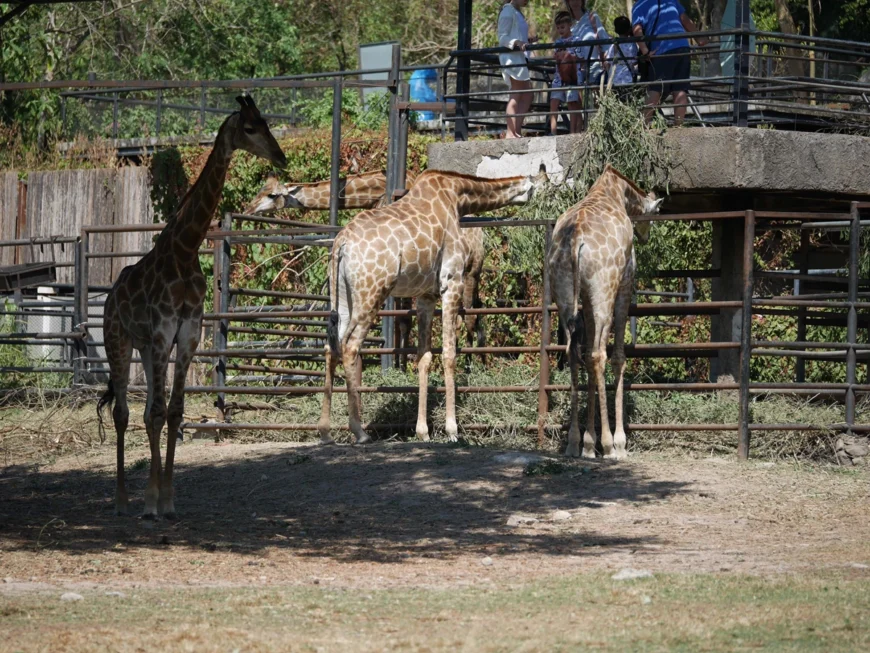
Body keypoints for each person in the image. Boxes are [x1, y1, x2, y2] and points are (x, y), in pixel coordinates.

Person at [632, 0, 708, 125]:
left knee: (655, 87)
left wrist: (645, 51)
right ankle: (679, 126)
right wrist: (699, 38)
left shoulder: (639, 5)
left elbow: (637, 29)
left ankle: (643, 125)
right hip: (682, 46)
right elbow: (684, 19)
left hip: (662, 48)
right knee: (680, 87)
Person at [498, 0, 533, 139]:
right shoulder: (507, 11)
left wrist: (527, 41)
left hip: (518, 58)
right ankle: (511, 133)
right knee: (516, 95)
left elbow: (517, 35)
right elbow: (502, 38)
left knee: (527, 94)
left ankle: (515, 130)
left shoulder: (516, 12)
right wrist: (517, 42)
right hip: (512, 59)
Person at [550, 10, 584, 134]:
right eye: (558, 28)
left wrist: (569, 56)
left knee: (572, 103)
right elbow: (556, 57)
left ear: (570, 25)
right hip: (559, 76)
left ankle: (573, 131)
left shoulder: (577, 40)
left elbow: (581, 57)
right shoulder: (558, 42)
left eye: (562, 27)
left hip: (572, 76)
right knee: (554, 101)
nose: (560, 30)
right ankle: (552, 131)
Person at [563, 0, 609, 88]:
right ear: (568, 2)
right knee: (575, 96)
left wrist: (607, 60)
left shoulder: (592, 17)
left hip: (594, 64)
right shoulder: (566, 22)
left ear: (582, 2)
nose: (575, 2)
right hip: (575, 66)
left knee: (596, 95)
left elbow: (604, 39)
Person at [604, 16, 638, 89]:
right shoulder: (631, 44)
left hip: (613, 79)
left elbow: (608, 62)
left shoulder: (613, 44)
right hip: (627, 78)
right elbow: (634, 62)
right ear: (629, 29)